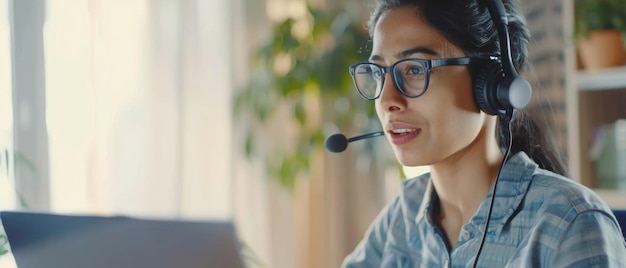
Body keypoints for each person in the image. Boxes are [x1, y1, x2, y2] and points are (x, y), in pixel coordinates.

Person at [340, 0, 626, 267]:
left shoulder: (569, 223)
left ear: (490, 84)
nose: (388, 100)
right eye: (379, 72)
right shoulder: (403, 216)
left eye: (414, 69)